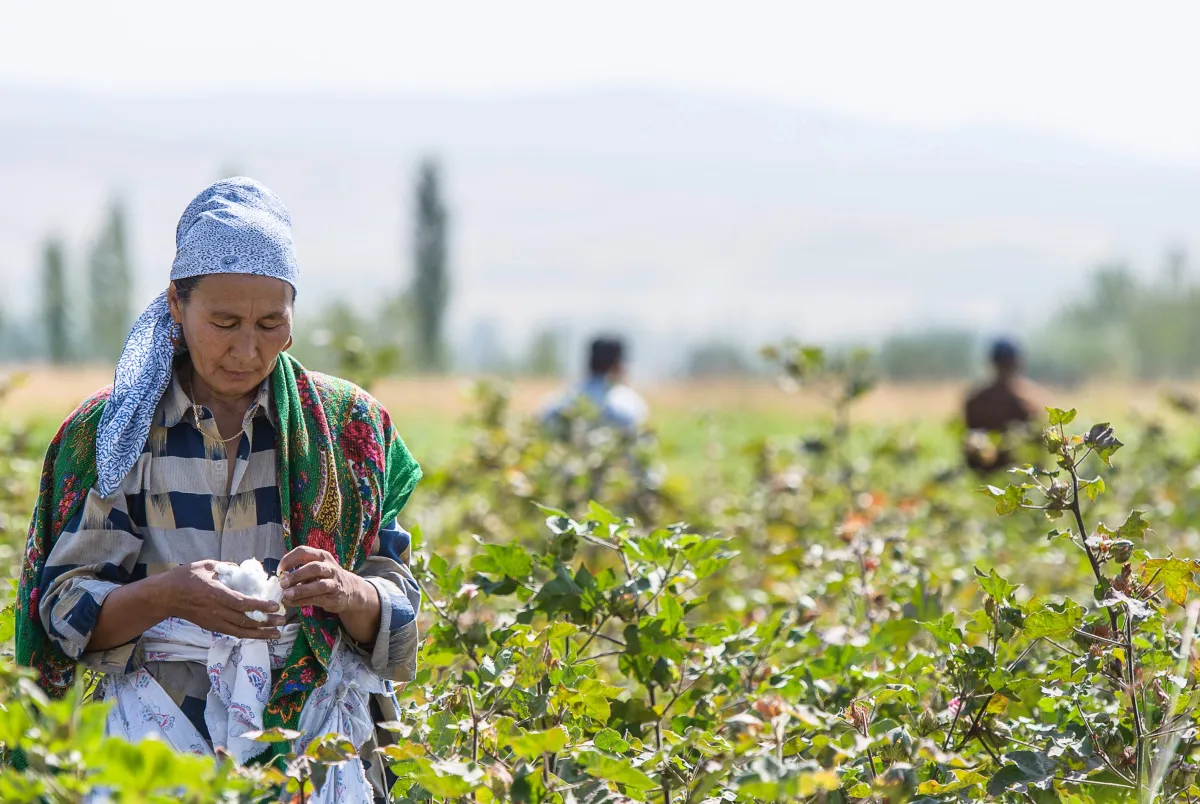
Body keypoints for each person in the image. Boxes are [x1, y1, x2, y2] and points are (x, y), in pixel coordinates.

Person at [15, 178, 421, 802]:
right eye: (224, 322)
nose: (246, 348)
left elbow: (398, 611)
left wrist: (346, 591)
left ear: (292, 319)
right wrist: (167, 597)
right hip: (151, 749)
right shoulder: (115, 430)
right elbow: (64, 612)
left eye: (269, 323)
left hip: (310, 753)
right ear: (176, 304)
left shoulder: (347, 430)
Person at [963, 338, 1039, 472]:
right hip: (1019, 479)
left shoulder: (975, 400)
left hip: (984, 479)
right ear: (1017, 363)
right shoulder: (1027, 401)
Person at [541, 336, 649, 431]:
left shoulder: (565, 397)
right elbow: (640, 434)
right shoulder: (628, 402)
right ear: (618, 365)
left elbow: (544, 421)